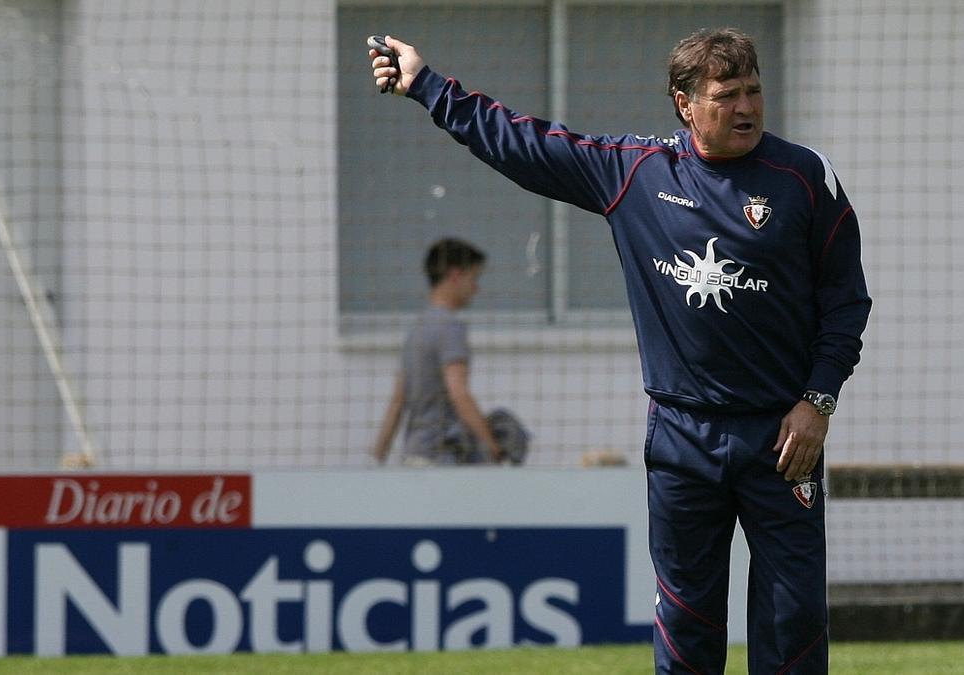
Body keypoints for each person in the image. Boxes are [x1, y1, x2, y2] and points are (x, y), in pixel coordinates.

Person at [367, 28, 870, 674]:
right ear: (684, 104)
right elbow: (523, 143)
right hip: (682, 438)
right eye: (726, 95)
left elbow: (847, 301)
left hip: (783, 437)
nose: (746, 107)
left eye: (754, 91)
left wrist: (817, 401)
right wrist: (426, 85)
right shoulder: (635, 171)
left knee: (792, 626)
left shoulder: (803, 177)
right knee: (687, 626)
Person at [371, 238, 508, 466]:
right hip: (441, 456)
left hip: (414, 454)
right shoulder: (450, 327)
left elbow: (398, 400)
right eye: (474, 278)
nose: (476, 288)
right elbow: (459, 393)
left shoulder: (417, 329)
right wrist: (493, 446)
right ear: (455, 276)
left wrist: (378, 456)